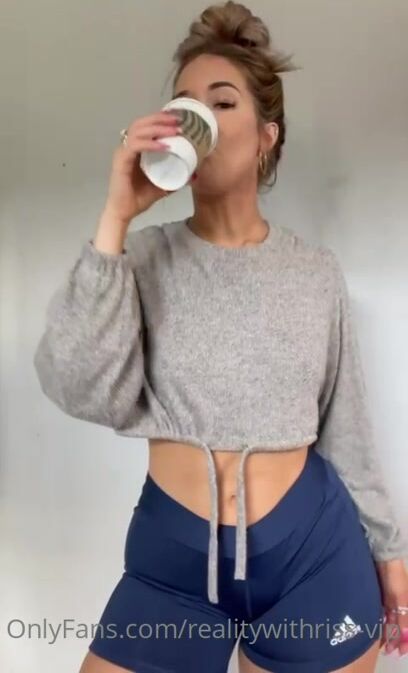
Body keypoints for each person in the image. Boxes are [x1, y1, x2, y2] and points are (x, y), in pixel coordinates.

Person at [33, 2, 408, 671]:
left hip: (314, 558)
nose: (196, 119)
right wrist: (116, 216)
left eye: (222, 102)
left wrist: (390, 551)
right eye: (182, 107)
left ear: (266, 135)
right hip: (174, 570)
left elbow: (345, 425)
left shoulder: (315, 272)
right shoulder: (137, 261)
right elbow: (81, 387)